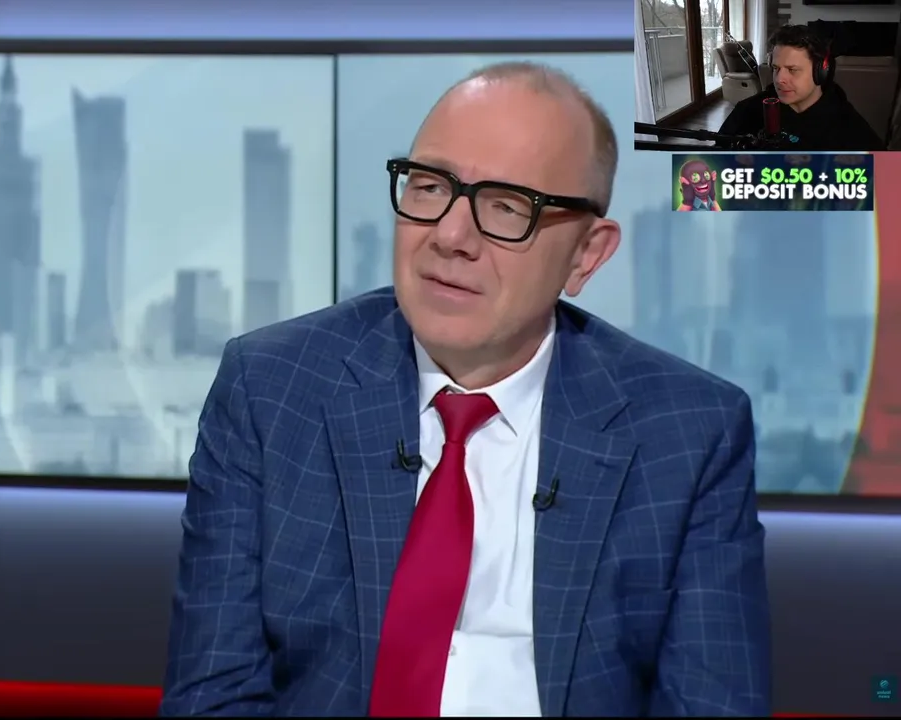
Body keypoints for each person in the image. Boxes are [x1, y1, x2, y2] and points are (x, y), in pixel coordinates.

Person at [160, 62, 771, 717]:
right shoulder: (271, 389)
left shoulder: (688, 432)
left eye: (507, 206)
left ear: (586, 254)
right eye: (430, 187)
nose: (450, 237)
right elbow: (213, 695)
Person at [717, 24, 884, 151]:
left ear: (821, 71)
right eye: (775, 68)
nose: (779, 79)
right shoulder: (748, 110)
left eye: (792, 70)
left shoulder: (849, 127)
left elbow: (884, 178)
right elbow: (715, 163)